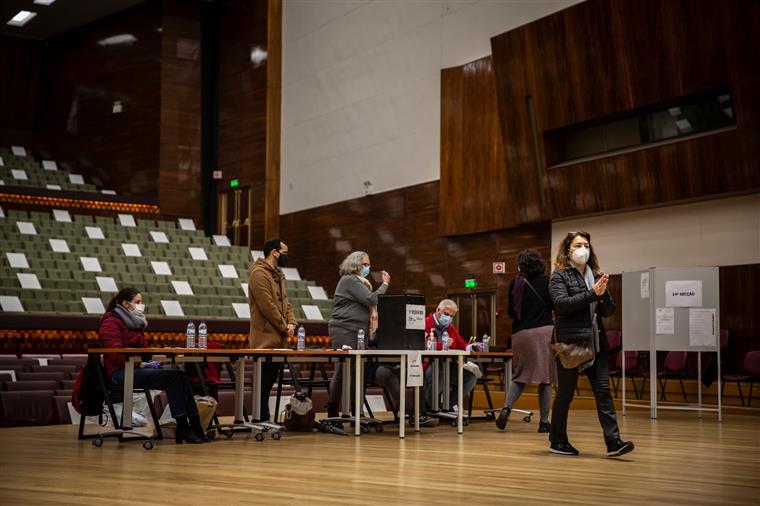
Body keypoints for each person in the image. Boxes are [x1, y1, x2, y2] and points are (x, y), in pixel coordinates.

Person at [548, 231, 634, 457]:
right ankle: (557, 441)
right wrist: (591, 294)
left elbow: (608, 310)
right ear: (568, 250)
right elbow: (561, 304)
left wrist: (603, 295)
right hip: (570, 343)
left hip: (596, 342)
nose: (583, 248)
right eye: (578, 244)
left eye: (586, 244)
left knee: (603, 392)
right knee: (565, 394)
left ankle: (613, 442)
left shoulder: (595, 275)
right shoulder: (559, 275)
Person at [327, 251, 426, 424]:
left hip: (359, 330)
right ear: (355, 264)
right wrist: (385, 284)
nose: (368, 267)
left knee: (356, 371)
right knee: (342, 369)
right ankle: (333, 411)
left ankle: (356, 411)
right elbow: (372, 299)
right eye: (365, 264)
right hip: (344, 329)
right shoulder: (349, 280)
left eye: (368, 264)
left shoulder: (361, 282)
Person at [99, 287, 206, 444]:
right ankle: (183, 427)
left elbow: (143, 349)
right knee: (173, 378)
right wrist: (140, 361)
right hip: (120, 373)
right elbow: (115, 353)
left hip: (135, 368)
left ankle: (196, 427)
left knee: (181, 376)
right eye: (138, 302)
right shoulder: (110, 322)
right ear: (125, 304)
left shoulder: (135, 322)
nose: (141, 305)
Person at [496, 249, 555, 432]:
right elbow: (555, 306)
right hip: (543, 332)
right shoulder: (547, 282)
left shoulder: (516, 282)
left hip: (520, 335)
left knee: (520, 376)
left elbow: (512, 312)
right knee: (546, 379)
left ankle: (506, 408)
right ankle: (544, 422)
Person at [248, 237, 297, 423]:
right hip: (265, 339)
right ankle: (259, 418)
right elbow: (267, 306)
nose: (287, 257)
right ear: (274, 252)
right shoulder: (258, 273)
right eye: (284, 253)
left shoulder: (279, 274)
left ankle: (264, 417)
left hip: (279, 338)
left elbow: (286, 302)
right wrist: (285, 327)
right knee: (263, 381)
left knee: (269, 381)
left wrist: (292, 323)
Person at [424, 299, 477, 414]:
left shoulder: (449, 327)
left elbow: (461, 343)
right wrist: (442, 345)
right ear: (438, 310)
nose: (448, 318)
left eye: (451, 316)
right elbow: (424, 345)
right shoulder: (425, 323)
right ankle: (429, 407)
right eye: (446, 314)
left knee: (470, 377)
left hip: (448, 364)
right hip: (429, 364)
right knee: (440, 373)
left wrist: (471, 347)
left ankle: (447, 405)